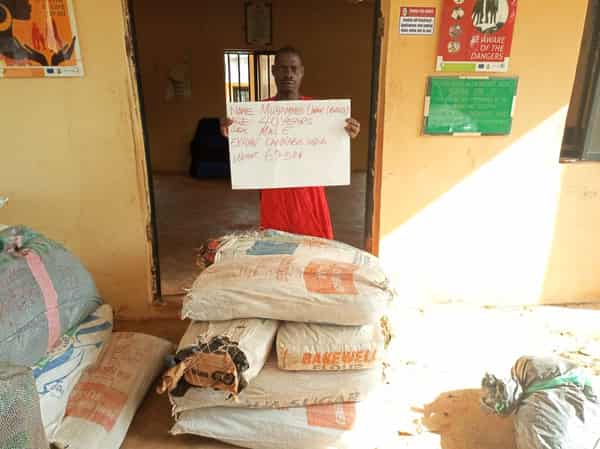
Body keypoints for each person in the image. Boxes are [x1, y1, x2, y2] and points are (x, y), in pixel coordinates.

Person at [221, 46, 360, 239]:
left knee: (314, 249)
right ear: (273, 71)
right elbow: (248, 152)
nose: (288, 74)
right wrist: (233, 133)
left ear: (302, 72)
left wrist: (347, 133)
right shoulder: (256, 113)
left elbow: (330, 151)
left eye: (294, 69)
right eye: (283, 68)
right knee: (276, 249)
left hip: (310, 197)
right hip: (275, 197)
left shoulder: (320, 112)